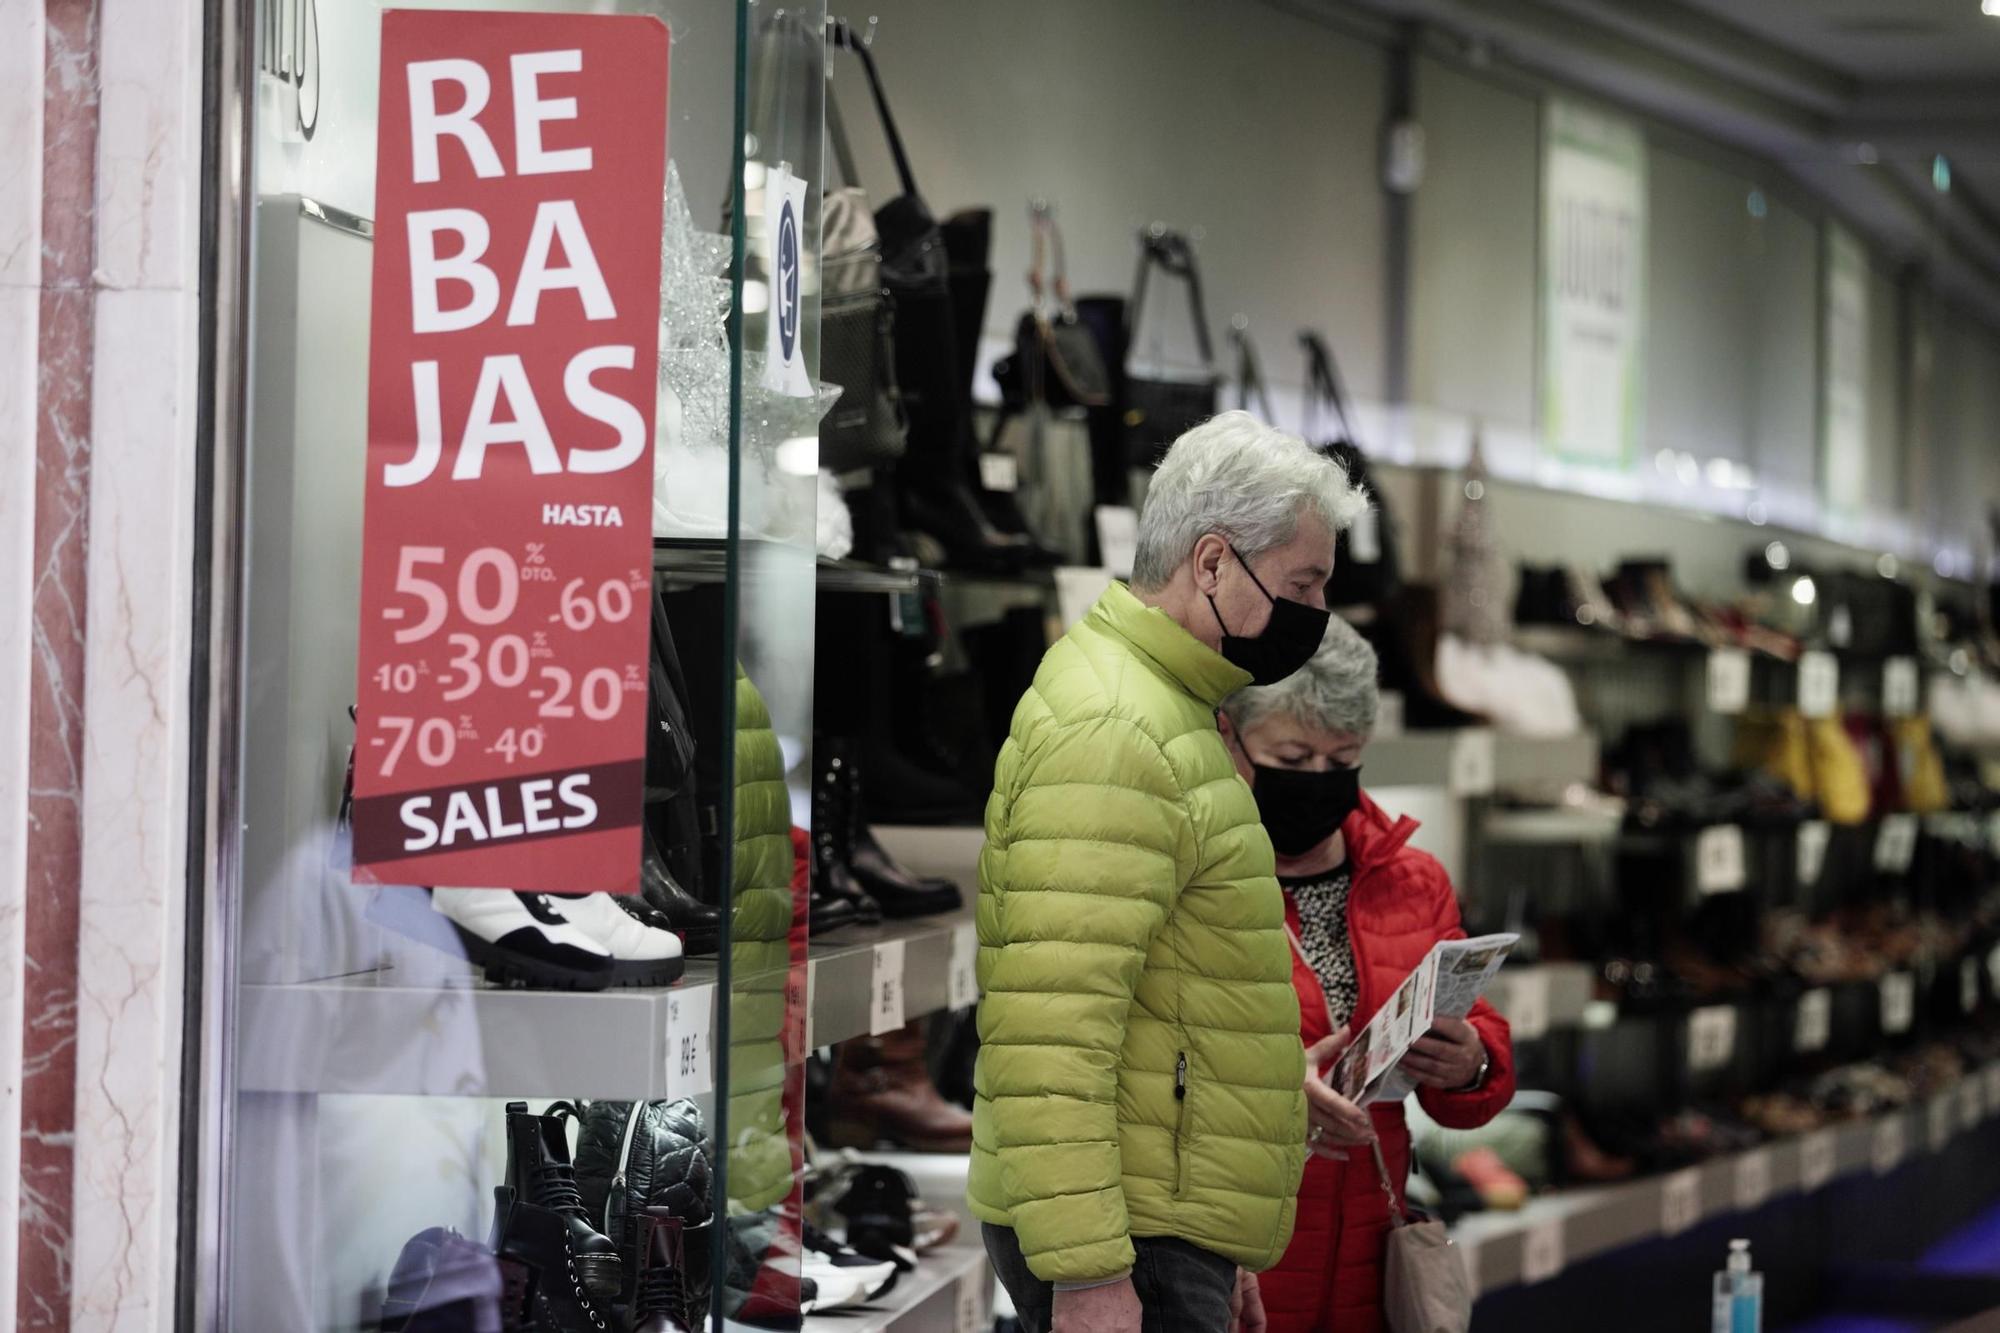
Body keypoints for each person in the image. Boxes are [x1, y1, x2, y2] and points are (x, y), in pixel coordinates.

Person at [970, 411, 1367, 1333]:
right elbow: (1051, 1030)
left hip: (1158, 1227)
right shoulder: (1117, 724)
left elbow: (1175, 997)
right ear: (1214, 562)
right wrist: (1093, 1271)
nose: (1316, 611)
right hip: (1124, 1241)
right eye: (1303, 582)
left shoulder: (1173, 710)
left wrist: (1211, 1238)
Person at [1218, 617, 1516, 1333]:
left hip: (1369, 1262)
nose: (1319, 779)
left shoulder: (1410, 879)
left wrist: (1471, 1062)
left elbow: (1475, 1058)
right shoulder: (1199, 877)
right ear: (1231, 738)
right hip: (1238, 1258)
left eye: (1342, 758)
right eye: (1293, 754)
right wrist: (1271, 1089)